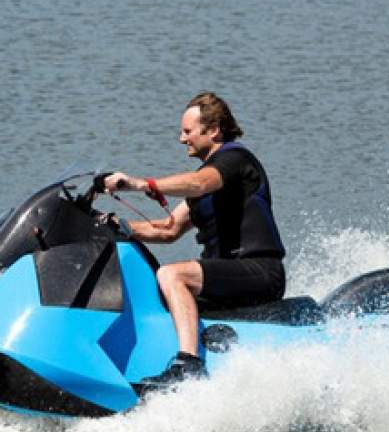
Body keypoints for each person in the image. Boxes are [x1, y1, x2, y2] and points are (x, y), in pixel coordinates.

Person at [104, 92, 286, 387]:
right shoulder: (204, 184)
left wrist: (141, 184)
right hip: (228, 276)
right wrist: (115, 226)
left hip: (260, 271)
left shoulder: (236, 161)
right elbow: (168, 229)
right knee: (155, 290)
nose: (181, 139)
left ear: (213, 130)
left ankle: (189, 364)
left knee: (171, 274)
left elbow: (200, 183)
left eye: (187, 131)